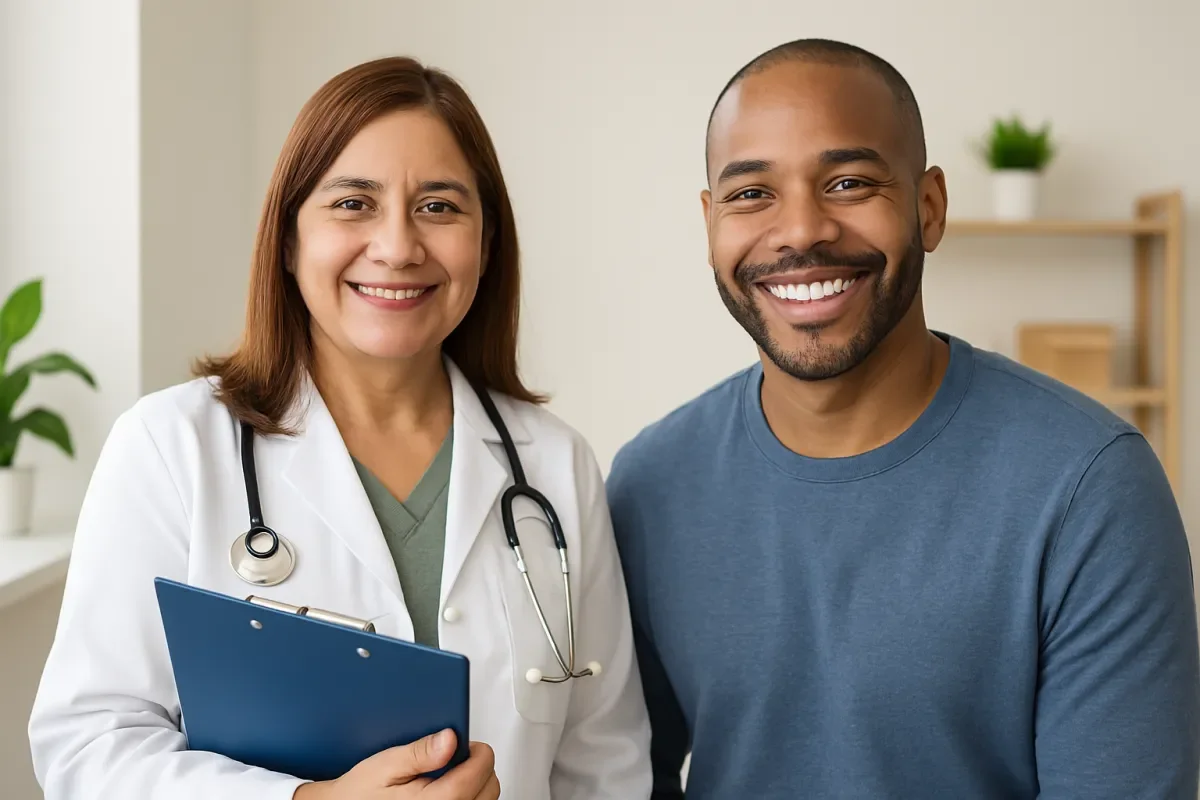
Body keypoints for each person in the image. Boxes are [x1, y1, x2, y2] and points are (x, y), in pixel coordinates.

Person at [28, 56, 652, 800]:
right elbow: (88, 743)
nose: (397, 247)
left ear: (486, 244)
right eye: (353, 203)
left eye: (440, 206)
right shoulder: (171, 447)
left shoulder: (554, 466)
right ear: (289, 240)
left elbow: (604, 766)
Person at [606, 37, 1200, 799]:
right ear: (710, 221)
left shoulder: (1089, 487)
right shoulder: (651, 484)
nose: (800, 231)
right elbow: (612, 775)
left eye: (849, 182)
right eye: (751, 194)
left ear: (929, 208)